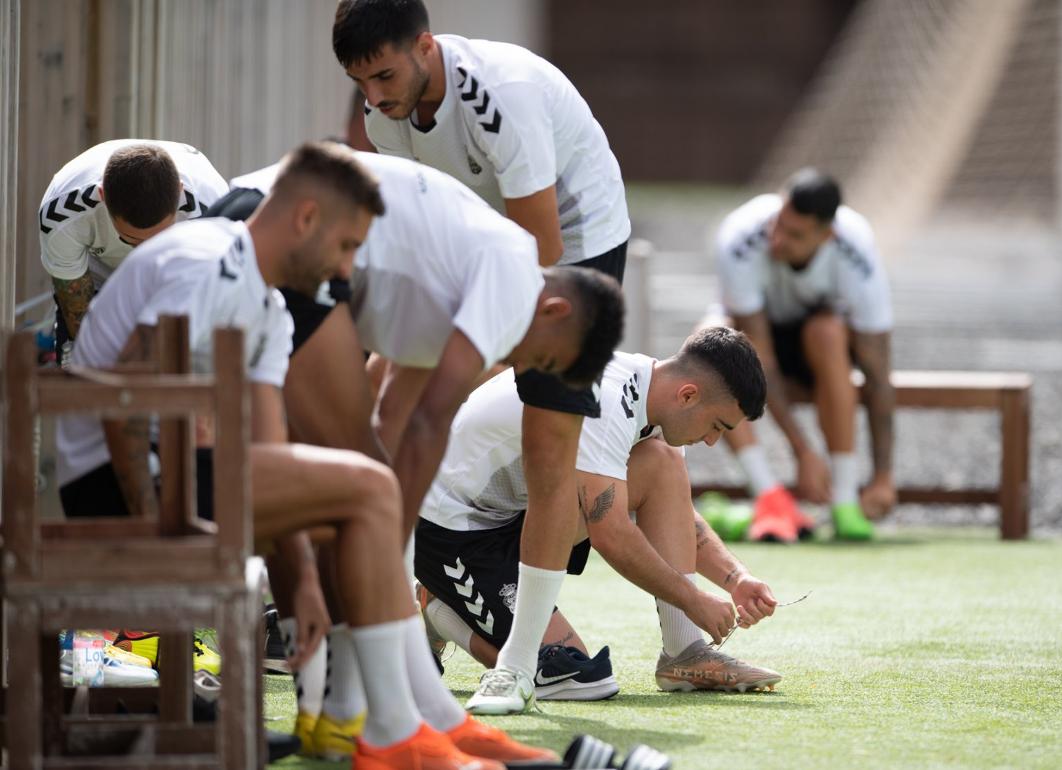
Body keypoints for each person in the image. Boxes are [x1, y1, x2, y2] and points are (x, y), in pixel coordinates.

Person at [57, 141, 556, 770]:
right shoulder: (205, 258)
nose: (346, 271)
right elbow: (130, 388)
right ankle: (393, 735)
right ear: (306, 219)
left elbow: (268, 455)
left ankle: (359, 720)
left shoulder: (267, 309)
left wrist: (306, 592)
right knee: (372, 488)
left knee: (345, 500)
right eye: (347, 247)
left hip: (178, 471)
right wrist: (155, 520)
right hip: (113, 482)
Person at [208, 149, 623, 752]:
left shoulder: (455, 281)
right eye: (542, 359)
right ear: (554, 310)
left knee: (343, 485)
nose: (521, 367)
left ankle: (341, 712)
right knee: (349, 487)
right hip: (282, 230)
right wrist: (383, 549)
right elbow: (430, 423)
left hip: (263, 224)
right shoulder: (512, 274)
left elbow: (394, 414)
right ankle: (376, 719)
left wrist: (381, 548)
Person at [332, 0, 631, 713]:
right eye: (360, 82)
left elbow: (540, 255)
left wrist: (459, 361)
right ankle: (389, 628)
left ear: (426, 47)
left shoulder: (501, 95)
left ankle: (521, 666)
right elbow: (419, 232)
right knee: (383, 411)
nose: (375, 98)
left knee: (548, 444)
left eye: (383, 74)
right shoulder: (382, 117)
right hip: (480, 252)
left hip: (573, 259)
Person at [415, 328, 781, 711]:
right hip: (453, 532)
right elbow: (612, 534)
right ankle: (437, 607)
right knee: (577, 678)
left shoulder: (653, 399)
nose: (711, 441)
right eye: (718, 426)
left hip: (520, 514)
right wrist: (694, 599)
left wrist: (735, 578)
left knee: (662, 463)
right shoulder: (606, 400)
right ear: (688, 395)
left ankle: (685, 653)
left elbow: (676, 516)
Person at [711, 168, 895, 543]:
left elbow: (877, 373)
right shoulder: (739, 237)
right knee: (710, 342)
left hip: (818, 347)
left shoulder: (857, 250)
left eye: (795, 235)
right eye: (779, 224)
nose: (778, 240)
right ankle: (769, 496)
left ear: (827, 235)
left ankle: (844, 501)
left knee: (827, 332)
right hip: (757, 338)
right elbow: (758, 356)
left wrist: (883, 478)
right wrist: (803, 451)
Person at [38, 139, 228, 365]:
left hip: (173, 278)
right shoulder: (62, 214)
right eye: (131, 239)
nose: (144, 253)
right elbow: (75, 306)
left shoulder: (211, 214)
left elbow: (210, 299)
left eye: (159, 239)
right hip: (99, 277)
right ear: (103, 196)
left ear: (179, 192)